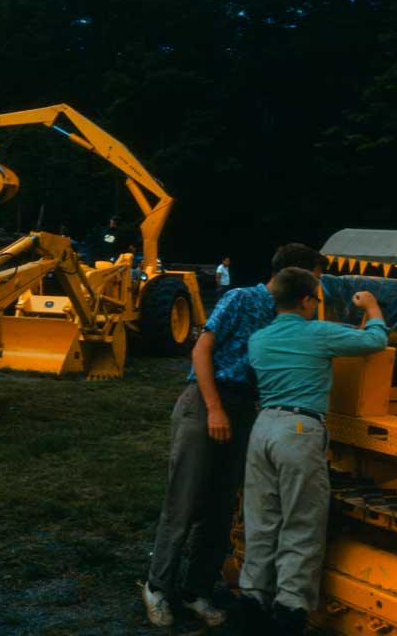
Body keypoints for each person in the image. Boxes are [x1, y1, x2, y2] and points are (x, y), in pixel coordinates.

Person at [142, 243, 328, 629]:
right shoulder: (241, 298)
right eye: (315, 278)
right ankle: (158, 587)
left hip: (245, 410)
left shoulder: (288, 317)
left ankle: (196, 590)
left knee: (223, 506)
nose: (318, 288)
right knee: (185, 500)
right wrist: (214, 409)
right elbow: (201, 351)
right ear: (293, 274)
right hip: (208, 400)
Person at [234, 267, 388, 636]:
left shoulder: (258, 339)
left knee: (262, 519)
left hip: (263, 428)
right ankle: (291, 609)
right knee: (301, 522)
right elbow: (375, 341)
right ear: (306, 300)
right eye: (315, 299)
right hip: (300, 429)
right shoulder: (318, 333)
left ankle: (252, 600)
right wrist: (371, 307)